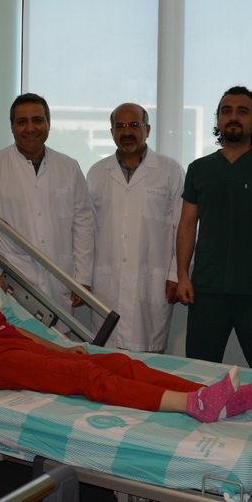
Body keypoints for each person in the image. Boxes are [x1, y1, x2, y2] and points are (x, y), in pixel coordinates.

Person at [0, 231, 252, 422]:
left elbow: (13, 329)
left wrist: (59, 349)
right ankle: (194, 406)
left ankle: (215, 396)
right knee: (88, 377)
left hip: (16, 346)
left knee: (120, 363)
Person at [175, 86, 252, 370]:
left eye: (242, 111)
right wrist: (182, 275)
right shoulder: (199, 169)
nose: (233, 117)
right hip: (207, 289)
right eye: (226, 111)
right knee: (200, 371)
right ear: (218, 121)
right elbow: (187, 224)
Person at [0, 93, 94, 326]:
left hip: (60, 275)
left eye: (37, 120)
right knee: (21, 339)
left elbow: (83, 222)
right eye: (22, 121)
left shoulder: (69, 167)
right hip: (14, 276)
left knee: (62, 342)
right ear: (12, 126)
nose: (30, 128)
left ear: (48, 123)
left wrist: (82, 277)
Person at [86, 103, 185, 352]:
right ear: (112, 132)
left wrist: (176, 274)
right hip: (107, 282)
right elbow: (86, 230)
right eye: (120, 126)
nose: (127, 132)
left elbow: (182, 226)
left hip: (153, 280)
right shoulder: (97, 172)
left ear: (147, 129)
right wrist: (83, 277)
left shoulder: (170, 170)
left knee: (148, 356)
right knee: (106, 356)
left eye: (134, 125)